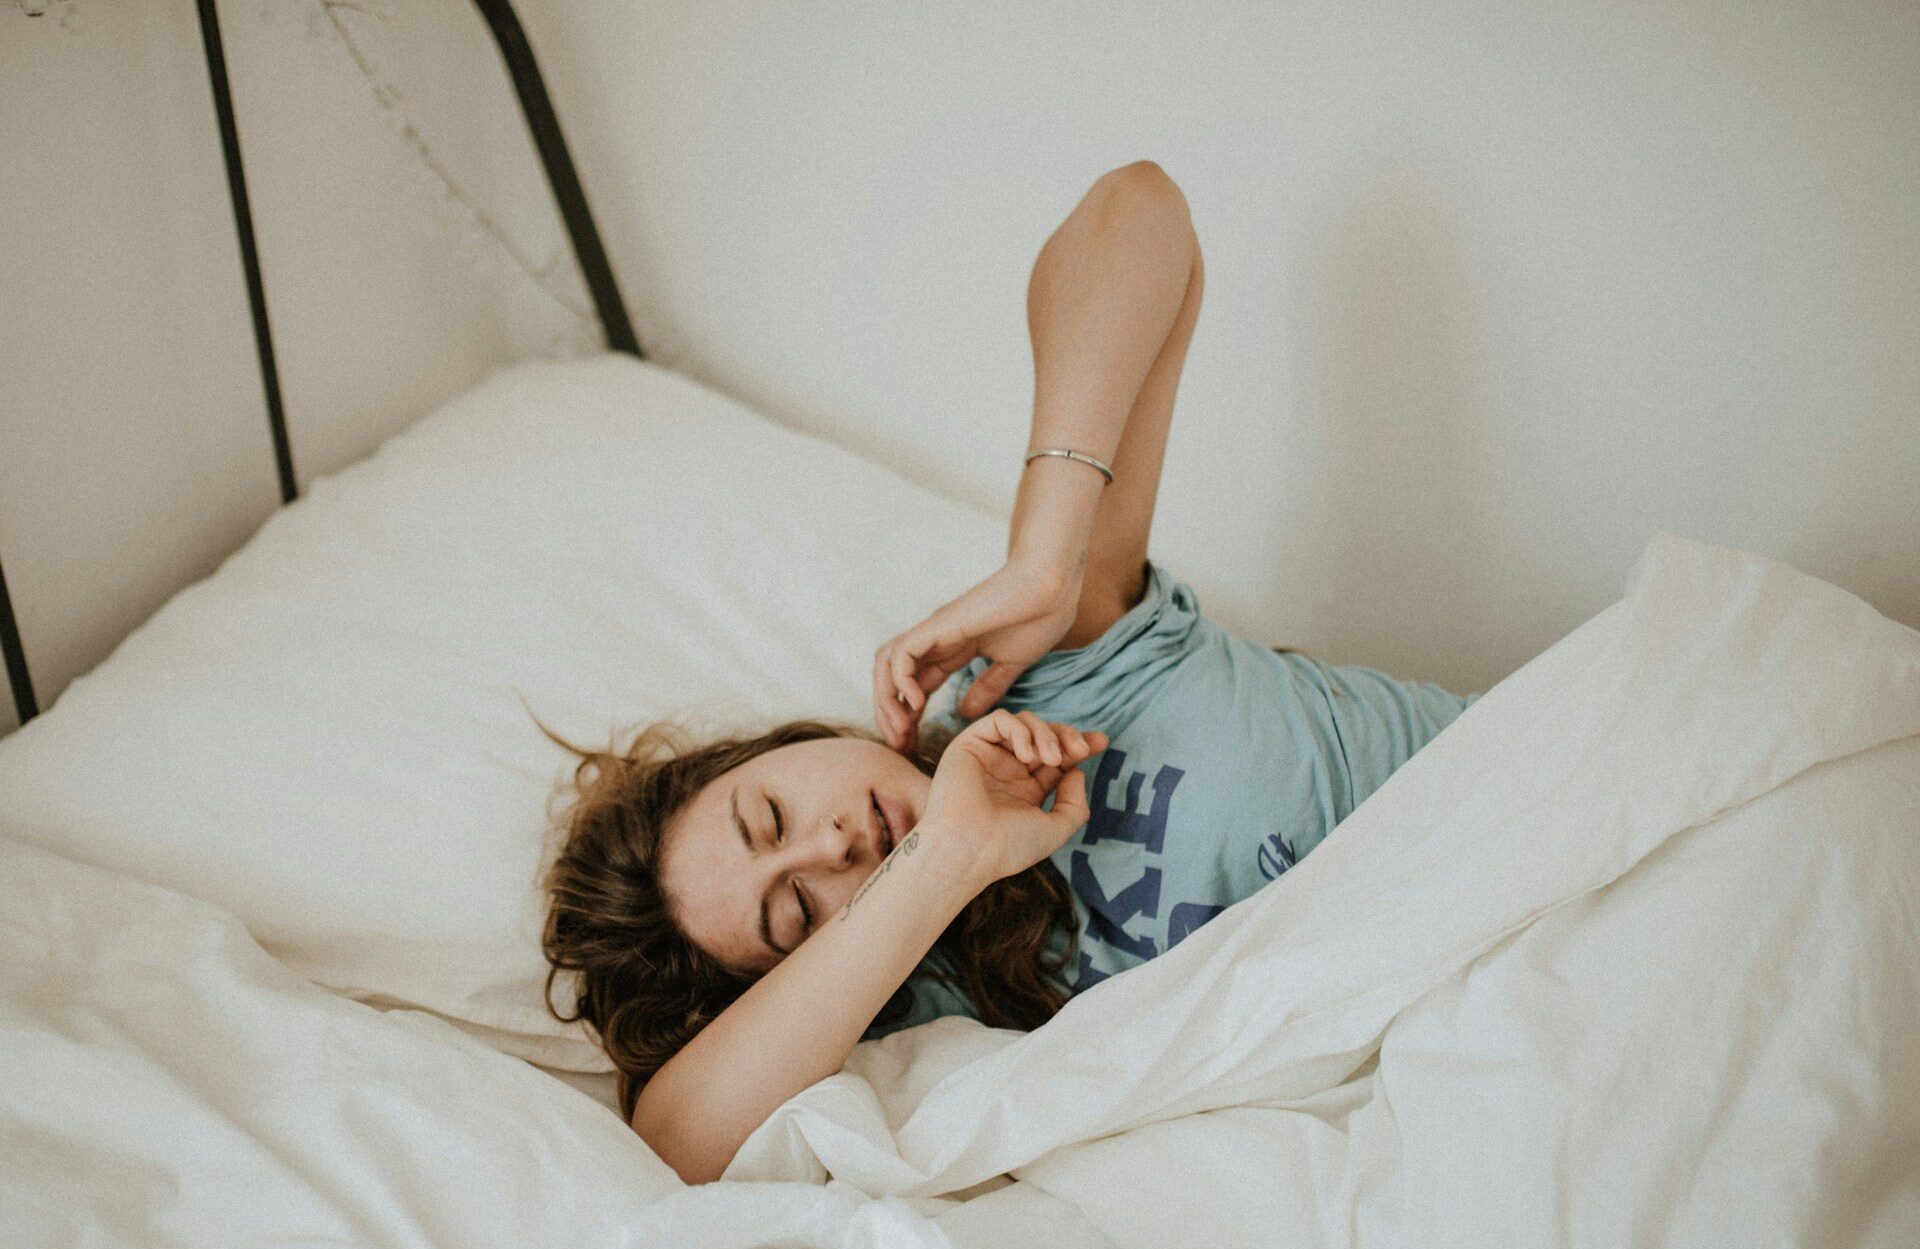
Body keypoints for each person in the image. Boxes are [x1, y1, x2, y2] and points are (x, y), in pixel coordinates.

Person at [536, 161, 1480, 1185]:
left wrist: (1046, 554)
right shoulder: (942, 1010)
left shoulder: (1055, 674)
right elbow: (678, 1142)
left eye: (771, 816)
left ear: (787, 748)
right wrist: (942, 860)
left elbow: (1141, 212)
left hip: (1536, 808)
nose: (832, 842)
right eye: (798, 909)